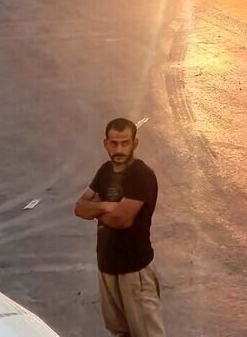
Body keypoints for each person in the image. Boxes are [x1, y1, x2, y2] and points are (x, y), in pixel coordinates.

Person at [74, 118, 165, 336]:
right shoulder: (105, 171)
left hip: (134, 272)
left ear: (135, 143)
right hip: (107, 267)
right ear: (105, 143)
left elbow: (121, 220)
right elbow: (79, 207)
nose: (119, 149)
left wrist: (97, 210)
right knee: (118, 332)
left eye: (125, 143)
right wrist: (108, 206)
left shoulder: (140, 175)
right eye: (114, 143)